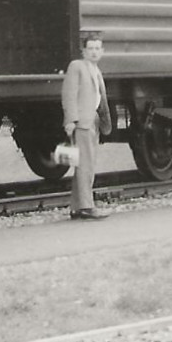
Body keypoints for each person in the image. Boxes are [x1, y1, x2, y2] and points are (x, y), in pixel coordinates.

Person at [62, 33, 112, 219]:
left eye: (97, 48)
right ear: (83, 50)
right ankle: (86, 206)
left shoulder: (96, 70)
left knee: (84, 164)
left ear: (102, 51)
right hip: (82, 123)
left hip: (93, 121)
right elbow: (69, 94)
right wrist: (70, 120)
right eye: (90, 48)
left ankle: (77, 207)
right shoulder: (77, 67)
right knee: (85, 165)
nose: (94, 52)